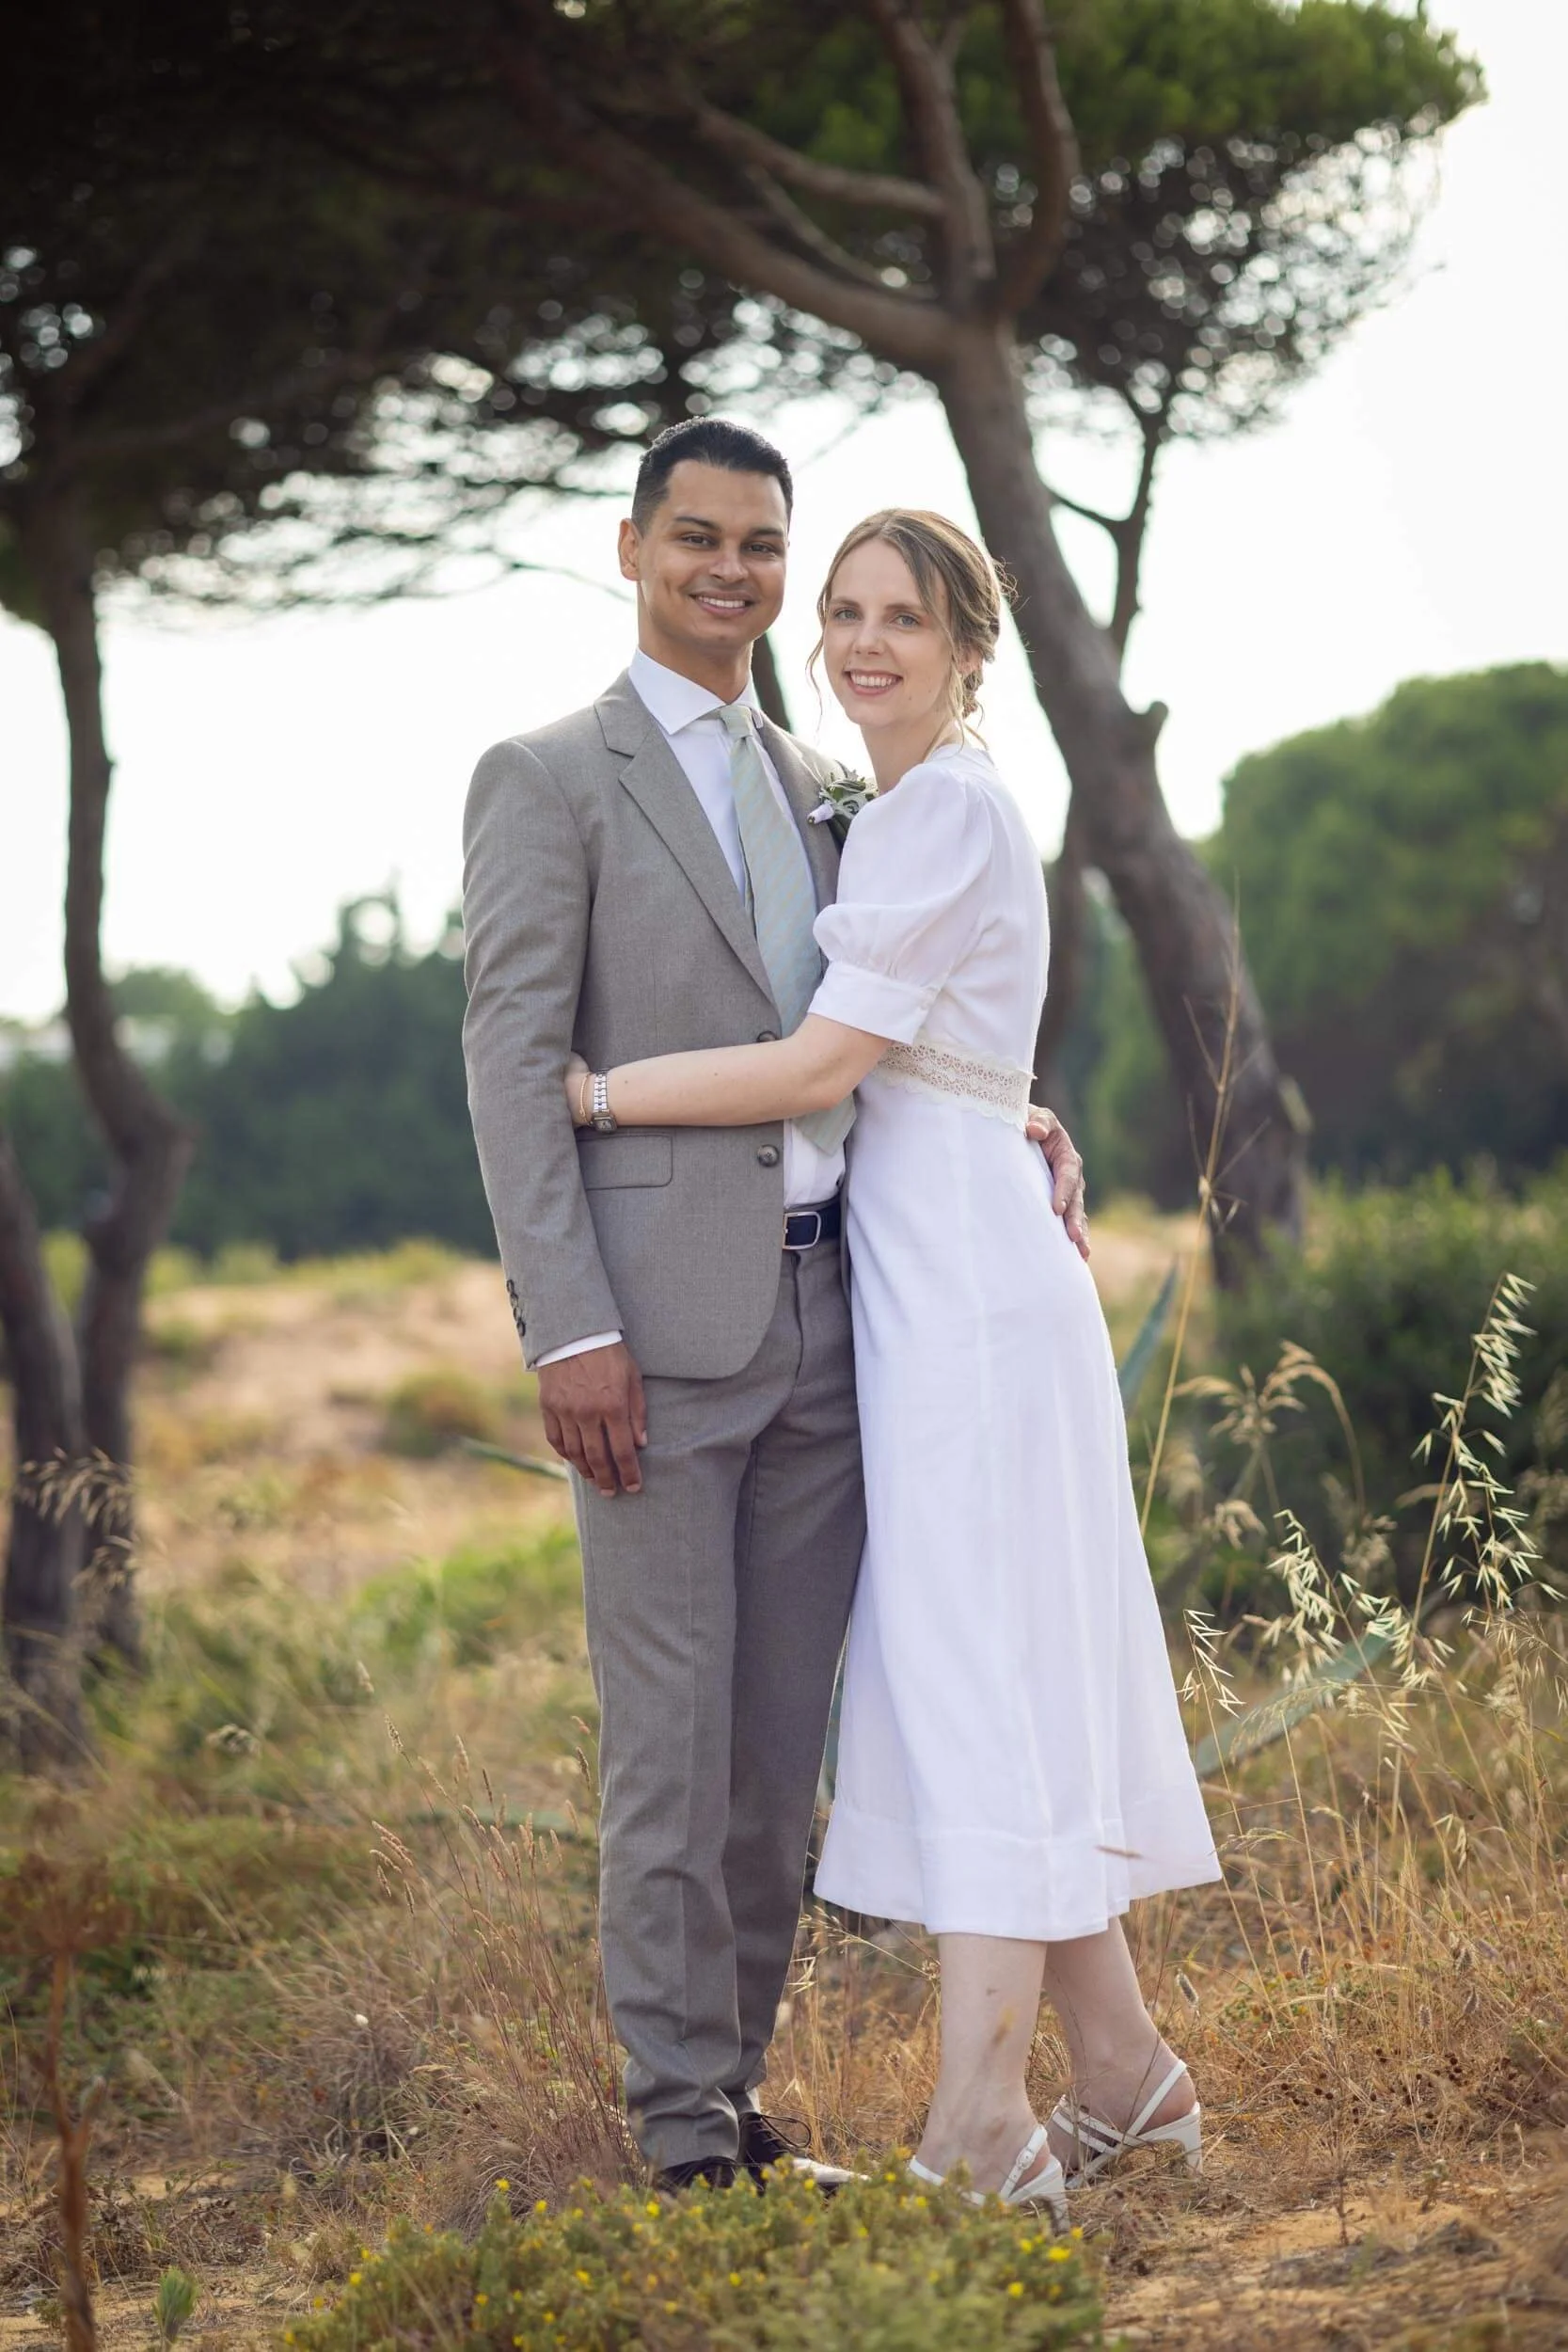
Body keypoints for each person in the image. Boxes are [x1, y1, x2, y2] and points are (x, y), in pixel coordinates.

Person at [562, 504, 1222, 2222]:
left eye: (900, 620)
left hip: (967, 1306)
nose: (860, 644)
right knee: (974, 1673)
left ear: (967, 645)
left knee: (972, 1684)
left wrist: (603, 1095)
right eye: (842, 613)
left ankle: (978, 2127)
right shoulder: (923, 804)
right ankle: (1132, 2084)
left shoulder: (937, 805)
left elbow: (821, 1062)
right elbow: (938, 1052)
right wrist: (1015, 1107)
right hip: (934, 1271)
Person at [461, 421, 1087, 2195]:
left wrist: (1012, 1106)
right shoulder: (544, 778)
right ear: (633, 547)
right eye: (699, 540)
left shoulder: (839, 783)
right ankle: (676, 2145)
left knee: (769, 1762)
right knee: (666, 1755)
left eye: (760, 547)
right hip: (649, 1343)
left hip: (843, 1333)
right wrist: (565, 1326)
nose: (730, 573)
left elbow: (880, 1032)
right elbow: (514, 1069)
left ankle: (734, 2101)